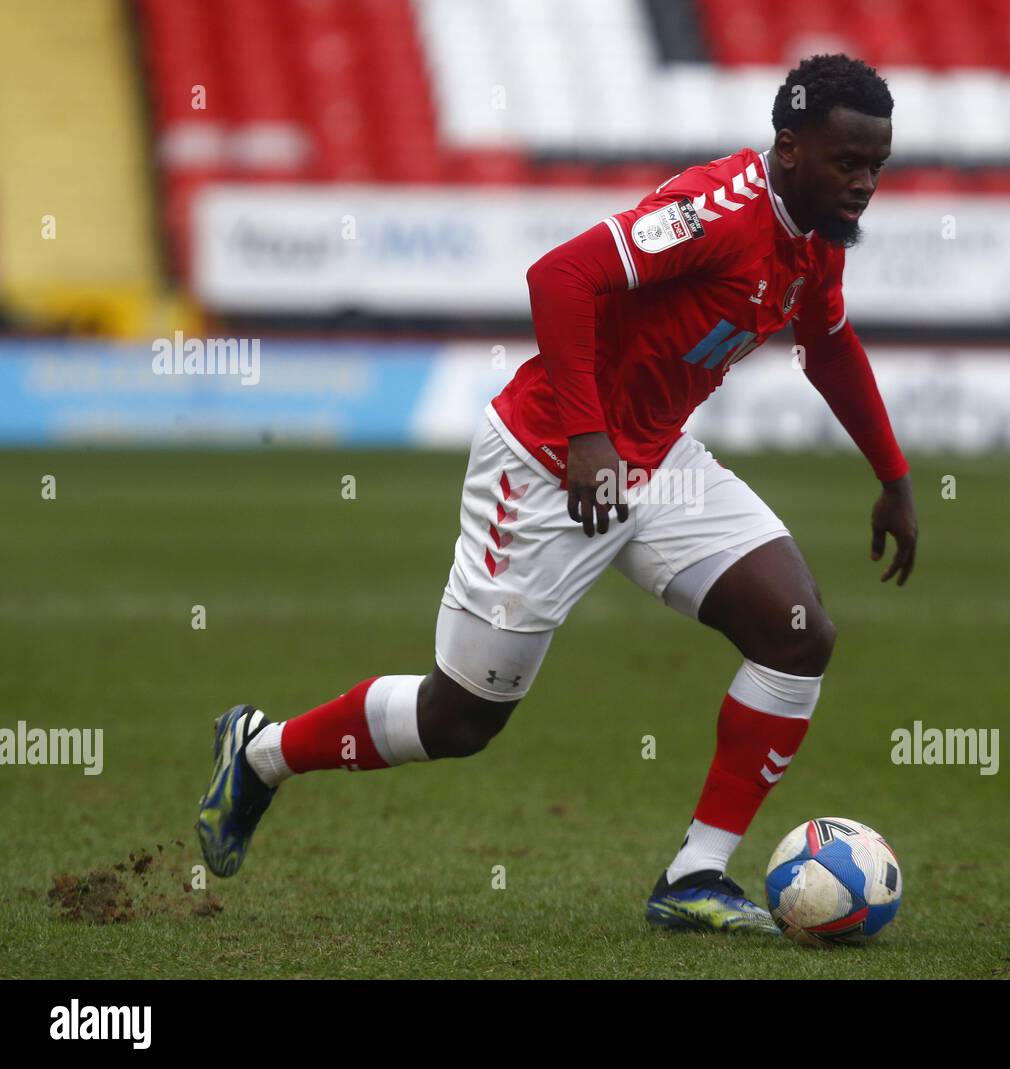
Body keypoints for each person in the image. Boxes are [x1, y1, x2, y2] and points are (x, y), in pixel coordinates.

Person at [197, 52, 918, 935]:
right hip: (547, 461)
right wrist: (586, 438)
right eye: (848, 162)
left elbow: (830, 342)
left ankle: (694, 875)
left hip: (654, 462)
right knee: (460, 717)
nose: (864, 184)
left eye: (876, 166)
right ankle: (262, 751)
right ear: (790, 148)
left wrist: (893, 476)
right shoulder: (715, 211)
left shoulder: (815, 237)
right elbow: (560, 277)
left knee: (797, 631)